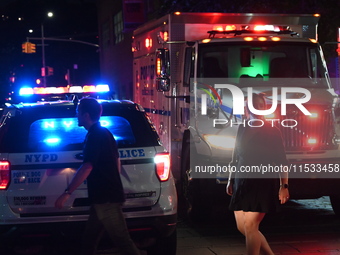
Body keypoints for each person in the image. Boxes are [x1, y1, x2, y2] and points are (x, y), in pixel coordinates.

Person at [55, 97, 140, 255]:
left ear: (86, 115)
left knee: (123, 242)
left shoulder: (95, 136)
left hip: (106, 199)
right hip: (103, 198)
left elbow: (87, 166)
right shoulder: (104, 133)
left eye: (78, 112)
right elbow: (116, 162)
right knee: (89, 240)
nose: (76, 116)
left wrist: (67, 193)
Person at [226, 93, 289, 255]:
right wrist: (230, 180)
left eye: (261, 105)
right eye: (254, 105)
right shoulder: (243, 127)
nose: (258, 109)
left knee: (251, 226)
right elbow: (235, 156)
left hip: (263, 182)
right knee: (242, 226)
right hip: (241, 181)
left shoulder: (272, 131)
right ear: (247, 108)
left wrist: (284, 186)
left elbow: (282, 161)